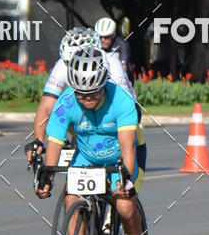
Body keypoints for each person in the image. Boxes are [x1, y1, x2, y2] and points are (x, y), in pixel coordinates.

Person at [35, 46, 153, 235]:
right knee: (71, 197)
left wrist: (126, 180)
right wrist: (47, 175)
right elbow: (54, 143)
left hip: (121, 156)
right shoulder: (66, 102)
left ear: (103, 84)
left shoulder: (121, 99)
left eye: (93, 93)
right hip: (87, 157)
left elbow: (128, 147)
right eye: (81, 94)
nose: (87, 99)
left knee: (123, 204)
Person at [27, 26, 133, 163]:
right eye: (69, 62)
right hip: (82, 115)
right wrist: (38, 141)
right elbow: (46, 107)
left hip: (113, 121)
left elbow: (120, 106)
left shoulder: (112, 64)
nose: (77, 68)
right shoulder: (62, 65)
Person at [94, 17, 133, 83]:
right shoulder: (95, 44)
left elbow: (124, 67)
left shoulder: (122, 44)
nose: (102, 40)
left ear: (113, 35)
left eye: (106, 37)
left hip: (121, 79)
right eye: (100, 37)